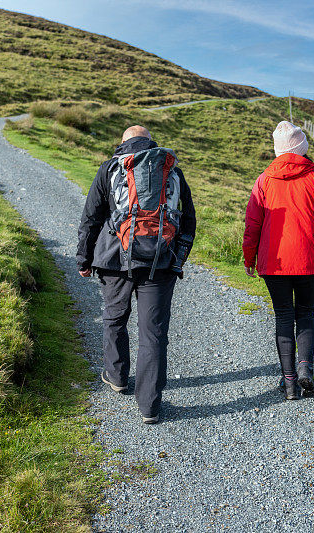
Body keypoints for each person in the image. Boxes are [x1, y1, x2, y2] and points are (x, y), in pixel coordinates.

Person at [77, 125, 196, 424]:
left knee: (114, 318)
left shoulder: (110, 168)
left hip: (115, 259)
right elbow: (189, 220)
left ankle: (117, 377)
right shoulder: (172, 171)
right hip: (160, 260)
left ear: (123, 144)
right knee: (153, 334)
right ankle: (149, 407)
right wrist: (178, 259)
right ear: (151, 142)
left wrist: (84, 258)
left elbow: (91, 216)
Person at [242, 121, 314, 400]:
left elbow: (252, 224)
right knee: (306, 313)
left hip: (274, 263)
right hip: (310, 260)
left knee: (284, 316)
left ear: (277, 150)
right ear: (302, 149)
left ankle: (289, 384)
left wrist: (249, 258)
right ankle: (305, 372)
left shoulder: (264, 180)